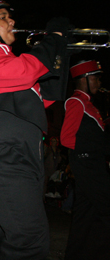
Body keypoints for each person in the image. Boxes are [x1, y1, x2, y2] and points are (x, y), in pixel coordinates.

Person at [0, 0, 70, 258]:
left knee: (28, 241)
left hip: (23, 153)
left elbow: (51, 95)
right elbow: (26, 71)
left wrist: (61, 50)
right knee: (28, 241)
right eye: (3, 17)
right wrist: (52, 39)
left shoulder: (10, 62)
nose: (12, 21)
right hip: (2, 154)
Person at [60, 60, 110, 260]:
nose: (98, 82)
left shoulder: (88, 104)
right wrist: (82, 160)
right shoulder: (76, 102)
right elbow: (66, 138)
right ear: (84, 79)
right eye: (95, 78)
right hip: (87, 164)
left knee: (85, 215)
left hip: (90, 164)